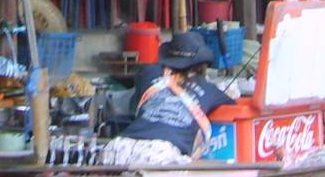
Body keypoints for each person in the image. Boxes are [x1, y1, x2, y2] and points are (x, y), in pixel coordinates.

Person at [100, 31, 234, 167]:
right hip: (159, 154)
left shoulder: (148, 73)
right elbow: (235, 105)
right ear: (201, 65)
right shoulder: (209, 90)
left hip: (118, 147)